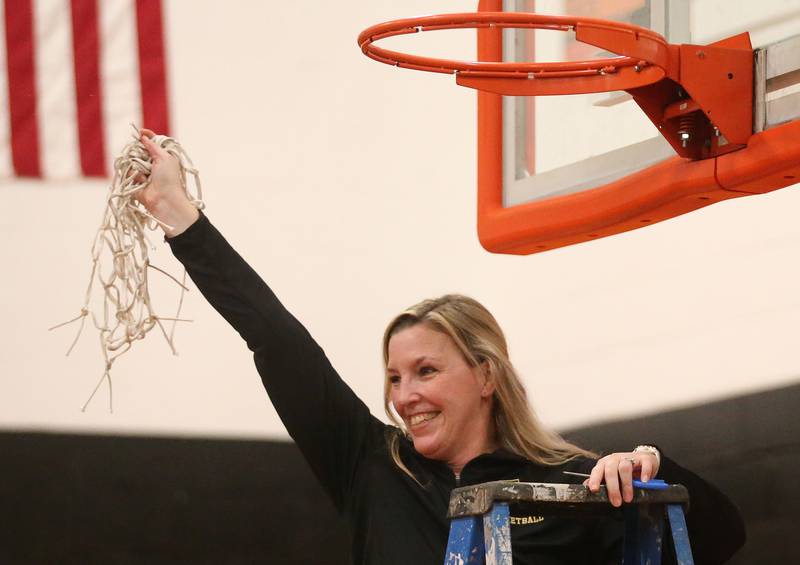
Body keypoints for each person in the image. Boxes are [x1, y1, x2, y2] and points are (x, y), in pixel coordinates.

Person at [137, 131, 745, 564]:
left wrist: (650, 471)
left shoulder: (571, 483)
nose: (406, 396)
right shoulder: (370, 467)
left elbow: (724, 538)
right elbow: (276, 339)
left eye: (425, 370)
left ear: (486, 376)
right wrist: (181, 218)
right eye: (395, 378)